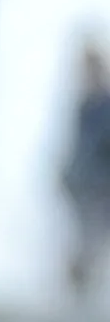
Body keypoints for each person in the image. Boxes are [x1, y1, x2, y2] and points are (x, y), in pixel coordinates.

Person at [67, 39, 110, 299]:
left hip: (99, 185)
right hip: (85, 183)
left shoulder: (103, 106)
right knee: (88, 234)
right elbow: (80, 146)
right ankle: (82, 288)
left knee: (92, 234)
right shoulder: (85, 105)